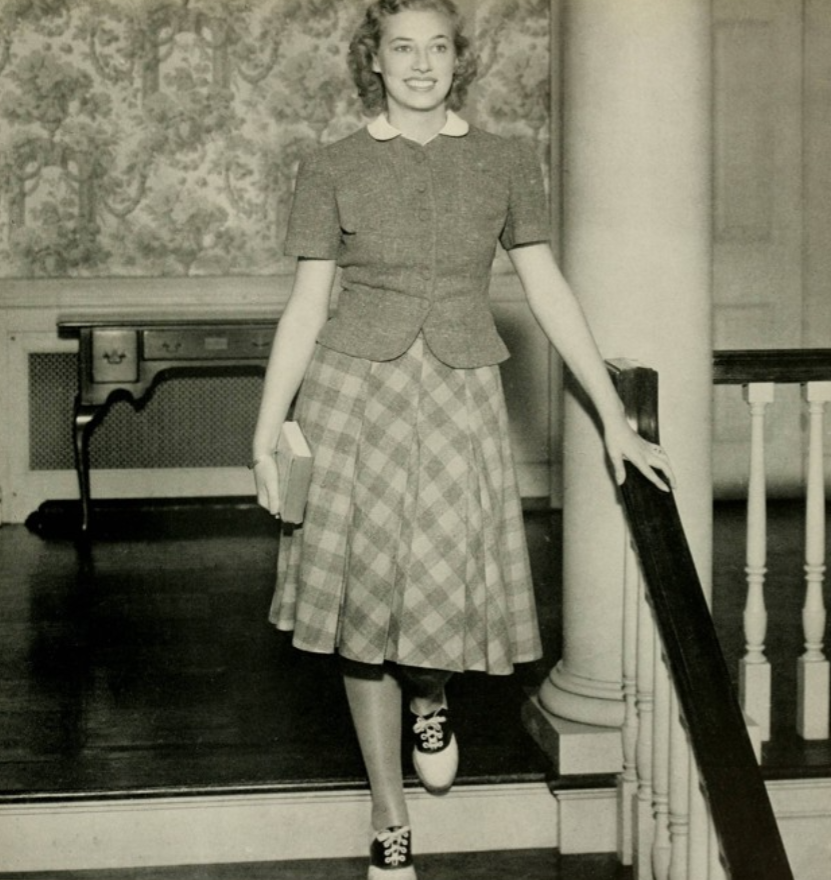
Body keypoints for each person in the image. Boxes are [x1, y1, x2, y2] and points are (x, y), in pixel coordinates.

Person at [251, 1, 675, 876]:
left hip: (457, 394)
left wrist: (611, 417)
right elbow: (304, 308)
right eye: (400, 48)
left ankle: (431, 698)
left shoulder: (503, 158)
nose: (418, 64)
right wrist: (267, 434)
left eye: (436, 48)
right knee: (361, 609)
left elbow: (549, 289)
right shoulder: (328, 164)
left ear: (458, 60)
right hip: (350, 397)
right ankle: (387, 814)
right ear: (372, 59)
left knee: (437, 588)